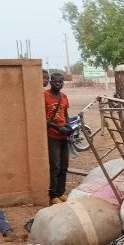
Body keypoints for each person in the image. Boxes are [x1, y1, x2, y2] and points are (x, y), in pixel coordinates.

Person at [45, 72, 70, 204]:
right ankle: (53, 195)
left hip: (63, 136)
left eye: (60, 82)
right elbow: (42, 119)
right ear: (50, 81)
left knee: (64, 166)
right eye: (55, 82)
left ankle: (60, 192)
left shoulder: (64, 97)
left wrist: (68, 127)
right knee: (55, 166)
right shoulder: (45, 96)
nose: (58, 84)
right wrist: (57, 128)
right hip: (52, 136)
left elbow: (65, 114)